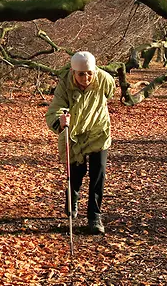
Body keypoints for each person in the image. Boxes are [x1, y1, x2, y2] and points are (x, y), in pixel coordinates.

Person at [45, 51, 115, 235]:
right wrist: (60, 120)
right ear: (73, 72)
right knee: (76, 173)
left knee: (98, 173)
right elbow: (55, 108)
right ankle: (72, 199)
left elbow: (111, 92)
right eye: (81, 74)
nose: (86, 78)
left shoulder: (105, 80)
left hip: (98, 131)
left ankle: (94, 216)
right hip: (74, 133)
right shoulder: (64, 86)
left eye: (90, 73)